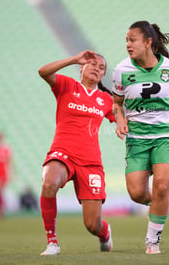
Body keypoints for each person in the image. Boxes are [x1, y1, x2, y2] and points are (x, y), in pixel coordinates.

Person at [112, 21, 169, 254]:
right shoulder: (121, 71)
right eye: (126, 40)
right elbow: (116, 103)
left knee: (162, 186)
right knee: (136, 193)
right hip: (137, 137)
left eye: (132, 40)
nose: (127, 44)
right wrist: (121, 120)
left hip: (166, 134)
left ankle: (152, 241)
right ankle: (157, 205)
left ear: (148, 42)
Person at [38, 50, 115, 255]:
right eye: (92, 64)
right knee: (49, 182)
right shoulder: (66, 86)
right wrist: (72, 58)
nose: (97, 69)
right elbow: (42, 71)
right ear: (82, 67)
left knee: (92, 225)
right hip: (62, 153)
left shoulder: (106, 99)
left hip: (90, 163)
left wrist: (122, 123)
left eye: (101, 68)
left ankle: (105, 232)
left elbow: (121, 116)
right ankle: (52, 242)